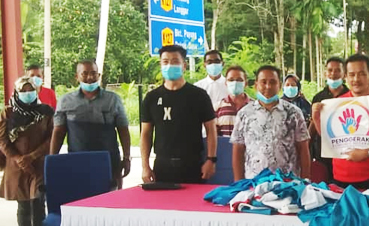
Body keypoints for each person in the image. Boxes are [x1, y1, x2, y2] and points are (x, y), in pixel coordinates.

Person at [311, 53, 369, 189]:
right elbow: (330, 139)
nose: (356, 79)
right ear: (345, 77)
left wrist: (367, 153)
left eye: (361, 74)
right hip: (340, 177)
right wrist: (316, 118)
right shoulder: (337, 104)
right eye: (351, 74)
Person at [141, 45, 217, 184]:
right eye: (165, 62)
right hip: (163, 165)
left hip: (193, 164)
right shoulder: (151, 98)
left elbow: (211, 129)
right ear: (160, 65)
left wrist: (211, 159)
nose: (170, 65)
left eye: (175, 61)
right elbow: (146, 133)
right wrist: (145, 166)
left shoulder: (199, 95)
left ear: (184, 66)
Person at [49, 60, 131, 189]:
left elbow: (123, 130)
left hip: (109, 162)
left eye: (93, 73)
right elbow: (58, 132)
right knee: (80, 197)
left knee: (110, 198)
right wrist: (52, 160)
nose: (90, 77)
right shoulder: (65, 101)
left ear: (99, 75)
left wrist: (126, 158)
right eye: (84, 73)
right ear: (77, 77)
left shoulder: (113, 99)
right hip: (77, 162)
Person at [0, 76, 54, 226]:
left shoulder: (46, 111)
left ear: (36, 91)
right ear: (16, 92)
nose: (27, 93)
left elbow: (51, 138)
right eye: (23, 90)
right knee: (23, 204)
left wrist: (32, 156)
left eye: (30, 90)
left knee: (38, 202)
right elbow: (3, 140)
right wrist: (18, 158)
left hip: (39, 164)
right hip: (16, 166)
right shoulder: (7, 113)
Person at [231, 66, 311, 180]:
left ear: (279, 86)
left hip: (287, 182)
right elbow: (238, 150)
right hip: (254, 182)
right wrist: (239, 183)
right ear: (256, 85)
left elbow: (303, 148)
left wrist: (305, 180)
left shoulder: (294, 113)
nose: (268, 86)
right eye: (263, 82)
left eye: (273, 82)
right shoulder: (244, 114)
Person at [310, 57, 349, 175]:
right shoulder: (318, 97)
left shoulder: (351, 97)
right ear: (325, 73)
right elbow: (313, 124)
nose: (333, 73)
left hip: (345, 151)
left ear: (344, 74)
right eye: (330, 70)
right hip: (323, 152)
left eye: (337, 70)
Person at [215, 65, 252, 137]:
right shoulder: (217, 108)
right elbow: (214, 135)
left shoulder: (256, 107)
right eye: (231, 80)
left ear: (246, 83)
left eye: (239, 80)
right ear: (226, 83)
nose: (235, 83)